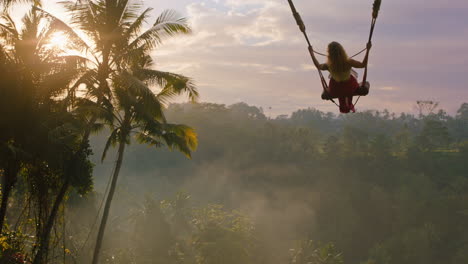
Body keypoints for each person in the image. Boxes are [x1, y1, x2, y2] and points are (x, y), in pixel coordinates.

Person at [309, 41, 371, 113]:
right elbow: (363, 65)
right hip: (350, 87)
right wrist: (368, 50)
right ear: (342, 51)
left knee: (338, 86)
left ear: (329, 54)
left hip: (335, 89)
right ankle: (348, 103)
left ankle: (345, 104)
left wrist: (311, 53)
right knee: (366, 83)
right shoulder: (348, 62)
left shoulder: (329, 65)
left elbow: (318, 66)